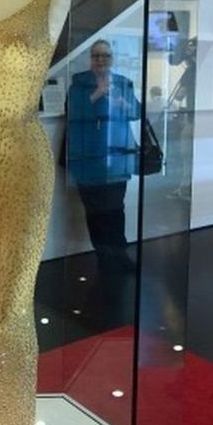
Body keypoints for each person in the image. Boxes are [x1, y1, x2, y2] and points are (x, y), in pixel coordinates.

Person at [67, 39, 140, 270]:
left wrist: (124, 105)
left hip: (117, 159)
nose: (101, 60)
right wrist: (97, 93)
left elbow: (137, 112)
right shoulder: (79, 83)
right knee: (95, 211)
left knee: (116, 209)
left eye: (105, 56)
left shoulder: (123, 83)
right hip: (87, 159)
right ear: (91, 59)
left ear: (112, 59)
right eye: (96, 56)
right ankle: (104, 257)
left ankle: (120, 255)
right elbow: (72, 112)